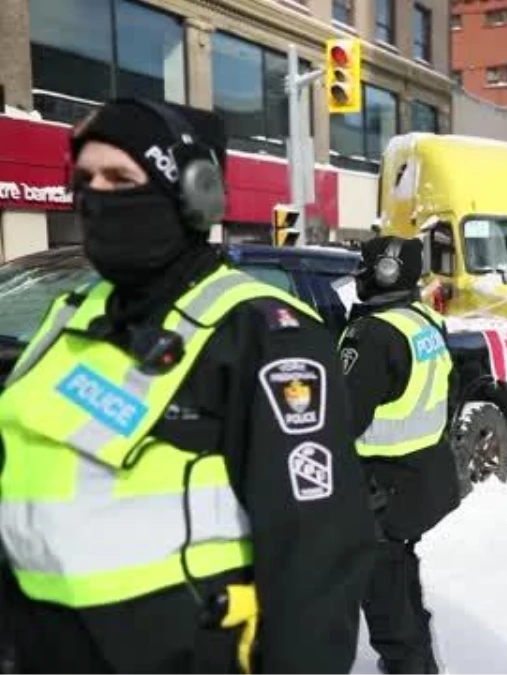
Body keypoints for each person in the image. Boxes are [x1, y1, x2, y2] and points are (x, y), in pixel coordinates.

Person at [0, 98, 374, 674]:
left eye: (120, 177)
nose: (96, 196)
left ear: (192, 193)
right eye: (85, 180)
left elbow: (314, 566)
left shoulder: (263, 335)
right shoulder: (75, 310)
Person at [337, 236, 461, 675]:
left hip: (380, 491)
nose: (358, 274)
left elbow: (341, 420)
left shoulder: (371, 334)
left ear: (383, 271)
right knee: (401, 584)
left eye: (364, 266)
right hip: (421, 481)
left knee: (388, 611)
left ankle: (410, 666)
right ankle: (420, 663)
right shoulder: (424, 321)